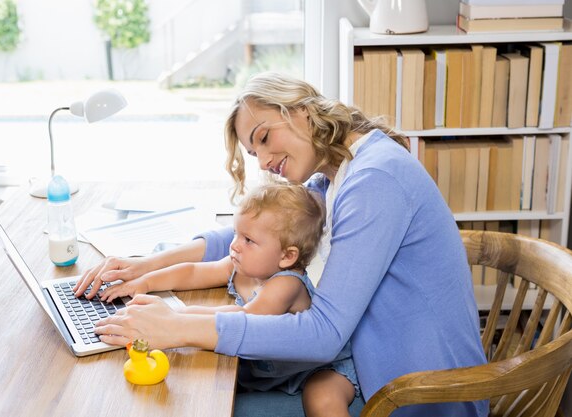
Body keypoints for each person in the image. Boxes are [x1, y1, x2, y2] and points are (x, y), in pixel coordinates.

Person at [75, 72, 488, 417]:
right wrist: (143, 266)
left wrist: (179, 326)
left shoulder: (374, 181)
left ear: (302, 112)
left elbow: (323, 333)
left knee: (205, 401)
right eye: (253, 151)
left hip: (415, 393)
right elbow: (253, 235)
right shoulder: (336, 174)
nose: (263, 160)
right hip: (372, 367)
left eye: (264, 137)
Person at [92, 182, 359, 416]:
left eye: (248, 239)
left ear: (286, 257)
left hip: (320, 368)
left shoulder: (286, 284)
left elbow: (246, 318)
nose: (234, 245)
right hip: (270, 370)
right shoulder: (244, 266)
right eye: (236, 234)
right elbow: (194, 272)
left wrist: (175, 318)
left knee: (322, 400)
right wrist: (146, 282)